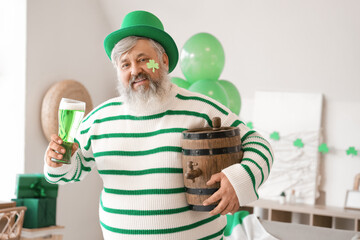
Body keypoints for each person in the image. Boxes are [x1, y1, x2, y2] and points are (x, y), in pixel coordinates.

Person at [44, 10, 273, 240]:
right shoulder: (99, 119)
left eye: (143, 59)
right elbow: (68, 173)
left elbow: (259, 144)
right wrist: (55, 161)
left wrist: (238, 179)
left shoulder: (201, 108)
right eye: (125, 64)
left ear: (163, 60)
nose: (135, 70)